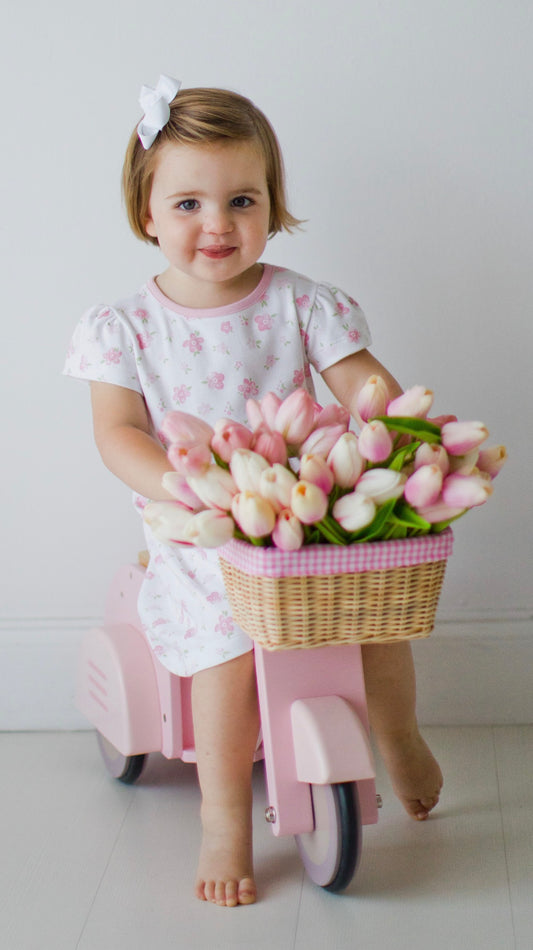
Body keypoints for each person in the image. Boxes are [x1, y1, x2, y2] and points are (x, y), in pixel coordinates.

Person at [64, 75, 443, 907]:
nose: (217, 225)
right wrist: (185, 484)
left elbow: (368, 391)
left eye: (241, 200)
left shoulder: (303, 304)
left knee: (374, 615)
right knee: (224, 650)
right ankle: (224, 817)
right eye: (189, 204)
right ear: (147, 215)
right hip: (206, 527)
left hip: (305, 515)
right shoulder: (126, 326)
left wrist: (411, 446)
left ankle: (399, 735)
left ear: (273, 205)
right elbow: (117, 432)